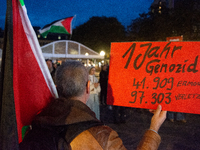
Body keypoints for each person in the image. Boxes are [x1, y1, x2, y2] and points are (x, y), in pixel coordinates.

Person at [20, 60, 167, 150]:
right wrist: (153, 129)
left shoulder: (33, 129)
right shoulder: (103, 136)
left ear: (57, 88)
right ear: (88, 86)